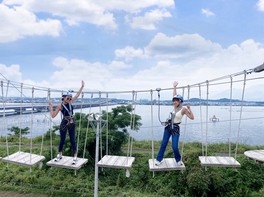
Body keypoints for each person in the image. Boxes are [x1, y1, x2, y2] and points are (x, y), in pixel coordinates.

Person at [155, 81, 194, 166]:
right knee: (163, 144)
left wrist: (189, 109)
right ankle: (159, 159)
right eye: (174, 101)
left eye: (176, 101)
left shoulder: (183, 109)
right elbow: (174, 95)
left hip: (175, 129)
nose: (174, 102)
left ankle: (178, 159)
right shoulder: (174, 107)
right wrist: (174, 87)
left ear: (180, 101)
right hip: (168, 127)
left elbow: (192, 117)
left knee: (175, 147)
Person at [48, 81, 84, 165]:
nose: (69, 99)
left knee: (72, 140)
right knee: (62, 140)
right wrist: (50, 106)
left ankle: (75, 155)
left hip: (71, 122)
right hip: (64, 122)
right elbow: (53, 115)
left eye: (69, 98)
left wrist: (82, 87)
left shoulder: (71, 103)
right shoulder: (60, 106)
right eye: (67, 98)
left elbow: (77, 95)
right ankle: (59, 154)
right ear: (63, 98)